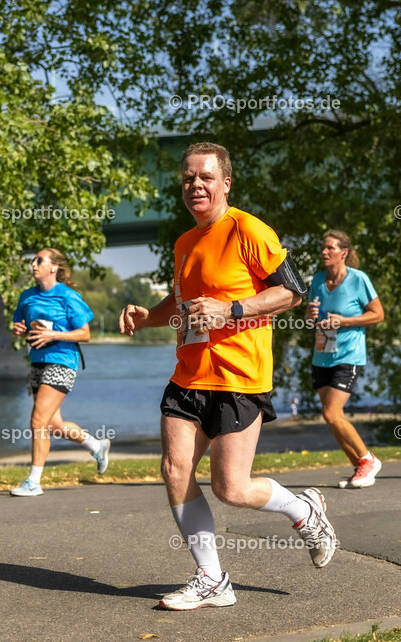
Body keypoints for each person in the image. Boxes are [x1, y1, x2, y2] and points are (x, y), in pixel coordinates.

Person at [118, 142, 337, 610]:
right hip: (188, 376)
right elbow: (181, 307)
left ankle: (304, 509)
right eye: (188, 178)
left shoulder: (248, 229)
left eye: (205, 177)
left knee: (230, 488)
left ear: (225, 183)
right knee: (175, 470)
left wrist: (232, 309)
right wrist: (146, 317)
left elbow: (292, 292)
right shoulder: (183, 242)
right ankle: (211, 580)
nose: (196, 185)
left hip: (239, 377)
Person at [9, 248, 109, 496]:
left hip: (63, 362)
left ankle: (33, 482)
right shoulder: (27, 296)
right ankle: (96, 445)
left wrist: (54, 334)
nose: (33, 264)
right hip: (37, 361)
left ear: (54, 267)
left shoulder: (68, 296)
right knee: (53, 424)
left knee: (37, 421)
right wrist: (19, 329)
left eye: (39, 260)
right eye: (33, 260)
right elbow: (18, 325)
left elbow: (85, 333)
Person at [306, 230, 385, 488]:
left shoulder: (358, 279)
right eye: (323, 247)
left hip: (348, 355)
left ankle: (368, 459)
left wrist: (346, 321)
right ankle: (359, 467)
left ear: (344, 252)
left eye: (330, 248)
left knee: (332, 412)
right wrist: (309, 314)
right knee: (329, 417)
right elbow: (312, 320)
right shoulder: (317, 280)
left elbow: (377, 315)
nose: (325, 252)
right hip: (322, 354)